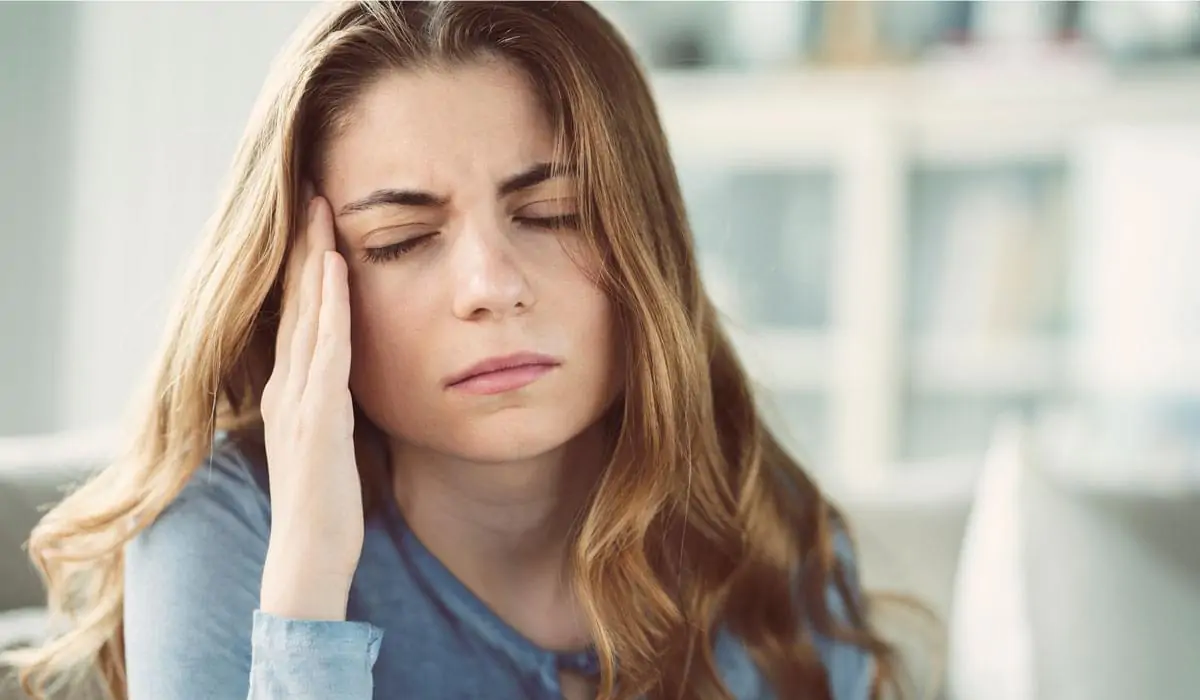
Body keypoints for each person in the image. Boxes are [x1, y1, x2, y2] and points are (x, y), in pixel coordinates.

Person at [11, 2, 897, 699]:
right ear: (300, 287)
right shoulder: (226, 527)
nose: (491, 284)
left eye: (554, 215)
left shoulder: (765, 530)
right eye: (401, 238)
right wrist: (309, 584)